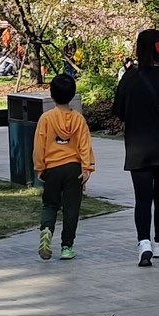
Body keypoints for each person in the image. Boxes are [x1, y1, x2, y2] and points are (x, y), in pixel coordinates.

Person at [111, 29, 159, 265]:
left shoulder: (129, 78)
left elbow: (119, 112)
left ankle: (143, 242)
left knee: (142, 198)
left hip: (137, 148)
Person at [33, 73, 94, 260]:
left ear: (51, 94)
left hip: (52, 168)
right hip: (73, 168)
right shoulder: (78, 120)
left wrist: (40, 167)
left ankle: (46, 231)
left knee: (50, 204)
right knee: (71, 209)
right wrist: (87, 167)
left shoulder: (46, 118)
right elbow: (85, 144)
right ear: (73, 93)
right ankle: (67, 246)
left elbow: (39, 144)